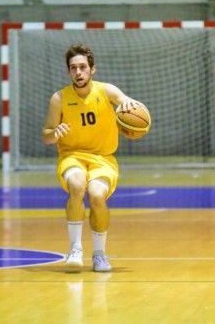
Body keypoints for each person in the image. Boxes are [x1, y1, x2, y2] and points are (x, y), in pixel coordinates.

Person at [42, 44, 137, 272]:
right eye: (73, 68)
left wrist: (130, 113)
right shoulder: (59, 98)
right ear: (69, 71)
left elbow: (128, 103)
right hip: (71, 156)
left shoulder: (107, 92)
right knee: (77, 185)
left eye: (83, 67)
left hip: (103, 159)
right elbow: (46, 135)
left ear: (92, 69)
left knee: (96, 195)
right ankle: (75, 249)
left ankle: (99, 254)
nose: (78, 72)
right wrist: (54, 134)